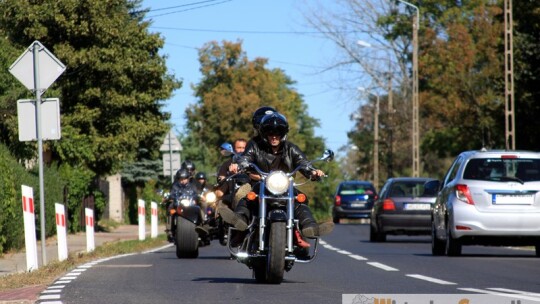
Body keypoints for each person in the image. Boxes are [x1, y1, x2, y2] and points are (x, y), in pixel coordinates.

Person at [219, 112, 334, 238]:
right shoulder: (255, 146)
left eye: (278, 133)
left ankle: (310, 226)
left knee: (300, 199)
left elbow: (304, 163)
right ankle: (239, 220)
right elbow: (245, 158)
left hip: (284, 186)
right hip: (262, 184)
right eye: (270, 133)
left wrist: (313, 171)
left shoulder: (291, 148)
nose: (274, 137)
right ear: (265, 134)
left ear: (283, 134)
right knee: (248, 198)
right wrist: (238, 165)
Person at [165, 168, 200, 242]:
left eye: (184, 179)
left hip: (189, 205)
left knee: (198, 208)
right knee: (170, 208)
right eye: (181, 179)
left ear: (188, 178)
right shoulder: (175, 186)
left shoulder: (192, 186)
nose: (183, 181)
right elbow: (171, 194)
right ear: (178, 179)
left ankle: (201, 224)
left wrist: (197, 197)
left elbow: (196, 194)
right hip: (178, 205)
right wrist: (171, 197)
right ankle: (169, 229)